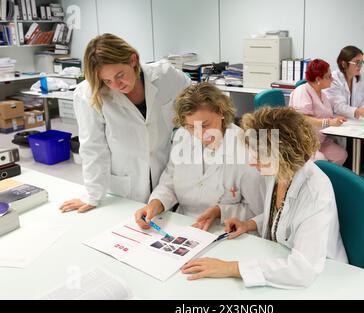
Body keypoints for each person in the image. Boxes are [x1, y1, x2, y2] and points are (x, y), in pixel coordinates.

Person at [181, 107, 348, 288]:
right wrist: (250, 224)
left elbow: (302, 270)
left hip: (323, 278)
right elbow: (283, 216)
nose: (253, 162)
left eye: (260, 155)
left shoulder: (314, 192)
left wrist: (230, 268)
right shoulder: (278, 172)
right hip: (280, 257)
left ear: (284, 153)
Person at [60, 33, 190, 213]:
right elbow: (93, 147)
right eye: (107, 80)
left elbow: (194, 102)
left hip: (167, 173)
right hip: (127, 184)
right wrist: (93, 196)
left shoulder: (166, 76)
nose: (116, 85)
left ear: (133, 60)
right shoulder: (88, 94)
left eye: (120, 75)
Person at [134, 83, 265, 232]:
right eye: (190, 126)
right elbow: (169, 184)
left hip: (225, 230)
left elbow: (259, 210)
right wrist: (154, 205)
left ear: (221, 112)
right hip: (181, 225)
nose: (198, 134)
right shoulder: (182, 137)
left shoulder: (246, 149)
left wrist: (220, 211)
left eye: (205, 125)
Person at [289, 59, 347, 165]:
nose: (332, 79)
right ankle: (316, 181)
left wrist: (336, 118)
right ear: (318, 79)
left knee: (341, 155)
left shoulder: (322, 94)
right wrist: (329, 122)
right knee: (321, 161)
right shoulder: (302, 91)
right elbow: (302, 118)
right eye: (329, 76)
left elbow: (325, 115)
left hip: (319, 140)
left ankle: (329, 181)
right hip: (302, 143)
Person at [325, 45, 364, 119]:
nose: (360, 66)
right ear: (344, 64)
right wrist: (357, 111)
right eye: (356, 62)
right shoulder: (333, 79)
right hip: (337, 122)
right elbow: (338, 107)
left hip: (354, 122)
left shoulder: (360, 76)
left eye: (361, 62)